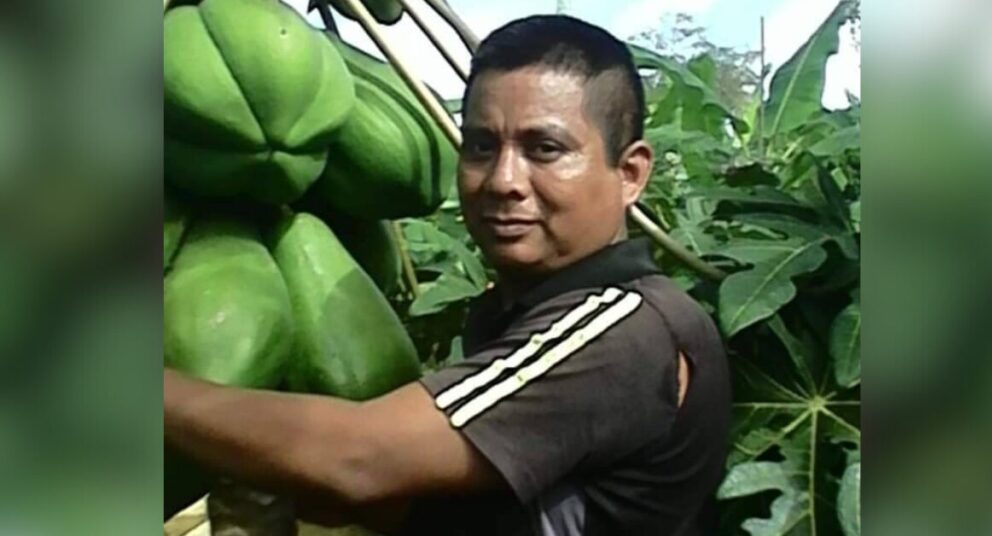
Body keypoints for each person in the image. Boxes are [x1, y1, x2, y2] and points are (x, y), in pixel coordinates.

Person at [164, 14, 732, 536]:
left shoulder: (622, 331)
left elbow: (360, 460)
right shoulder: (526, 310)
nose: (504, 179)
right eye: (482, 146)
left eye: (545, 148)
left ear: (630, 173)